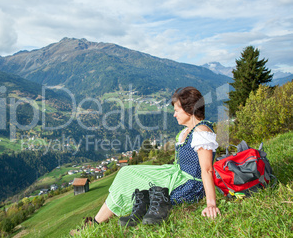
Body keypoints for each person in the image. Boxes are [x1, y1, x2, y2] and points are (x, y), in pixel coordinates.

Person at [81, 86, 221, 229]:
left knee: (132, 178)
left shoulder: (201, 132)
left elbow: (207, 169)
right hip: (176, 174)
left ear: (189, 109)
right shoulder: (187, 131)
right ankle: (98, 221)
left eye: (176, 110)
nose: (174, 115)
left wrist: (211, 204)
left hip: (188, 184)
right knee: (126, 173)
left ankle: (96, 223)